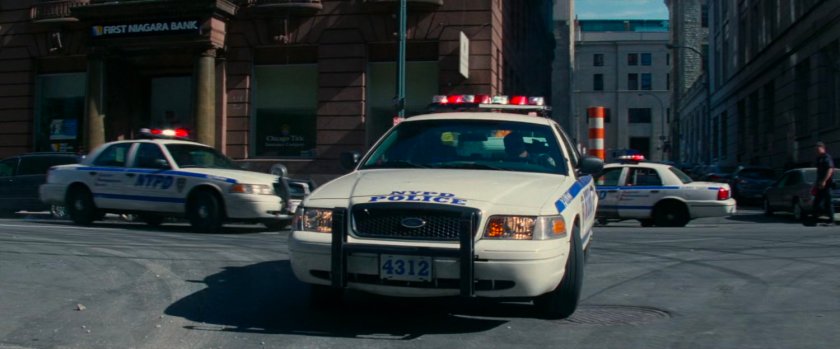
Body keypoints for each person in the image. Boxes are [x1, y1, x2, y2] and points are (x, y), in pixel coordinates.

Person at [810, 141, 835, 226]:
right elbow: (818, 172)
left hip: (827, 184)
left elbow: (830, 169)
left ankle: (832, 221)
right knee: (816, 202)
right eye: (815, 150)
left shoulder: (826, 157)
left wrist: (824, 181)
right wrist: (816, 183)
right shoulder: (819, 158)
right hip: (820, 184)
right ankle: (815, 219)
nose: (816, 151)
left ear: (823, 148)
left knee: (828, 202)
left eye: (818, 149)